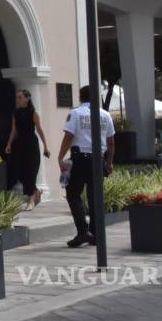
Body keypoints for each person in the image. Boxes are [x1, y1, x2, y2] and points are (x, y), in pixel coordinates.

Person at [57, 85, 116, 248]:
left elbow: (68, 137)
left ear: (80, 97)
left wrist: (60, 157)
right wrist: (109, 163)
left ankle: (83, 231)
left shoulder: (75, 113)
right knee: (95, 196)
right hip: (99, 159)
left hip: (80, 159)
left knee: (73, 194)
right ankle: (96, 234)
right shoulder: (105, 115)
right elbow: (111, 143)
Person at [5, 89, 51, 210]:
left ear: (27, 98)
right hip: (19, 144)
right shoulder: (15, 112)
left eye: (20, 97)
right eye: (17, 97)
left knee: (31, 171)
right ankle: (36, 191)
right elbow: (14, 130)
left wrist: (46, 146)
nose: (18, 99)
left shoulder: (33, 112)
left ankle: (30, 200)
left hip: (31, 143)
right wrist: (9, 144)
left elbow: (40, 129)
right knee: (20, 172)